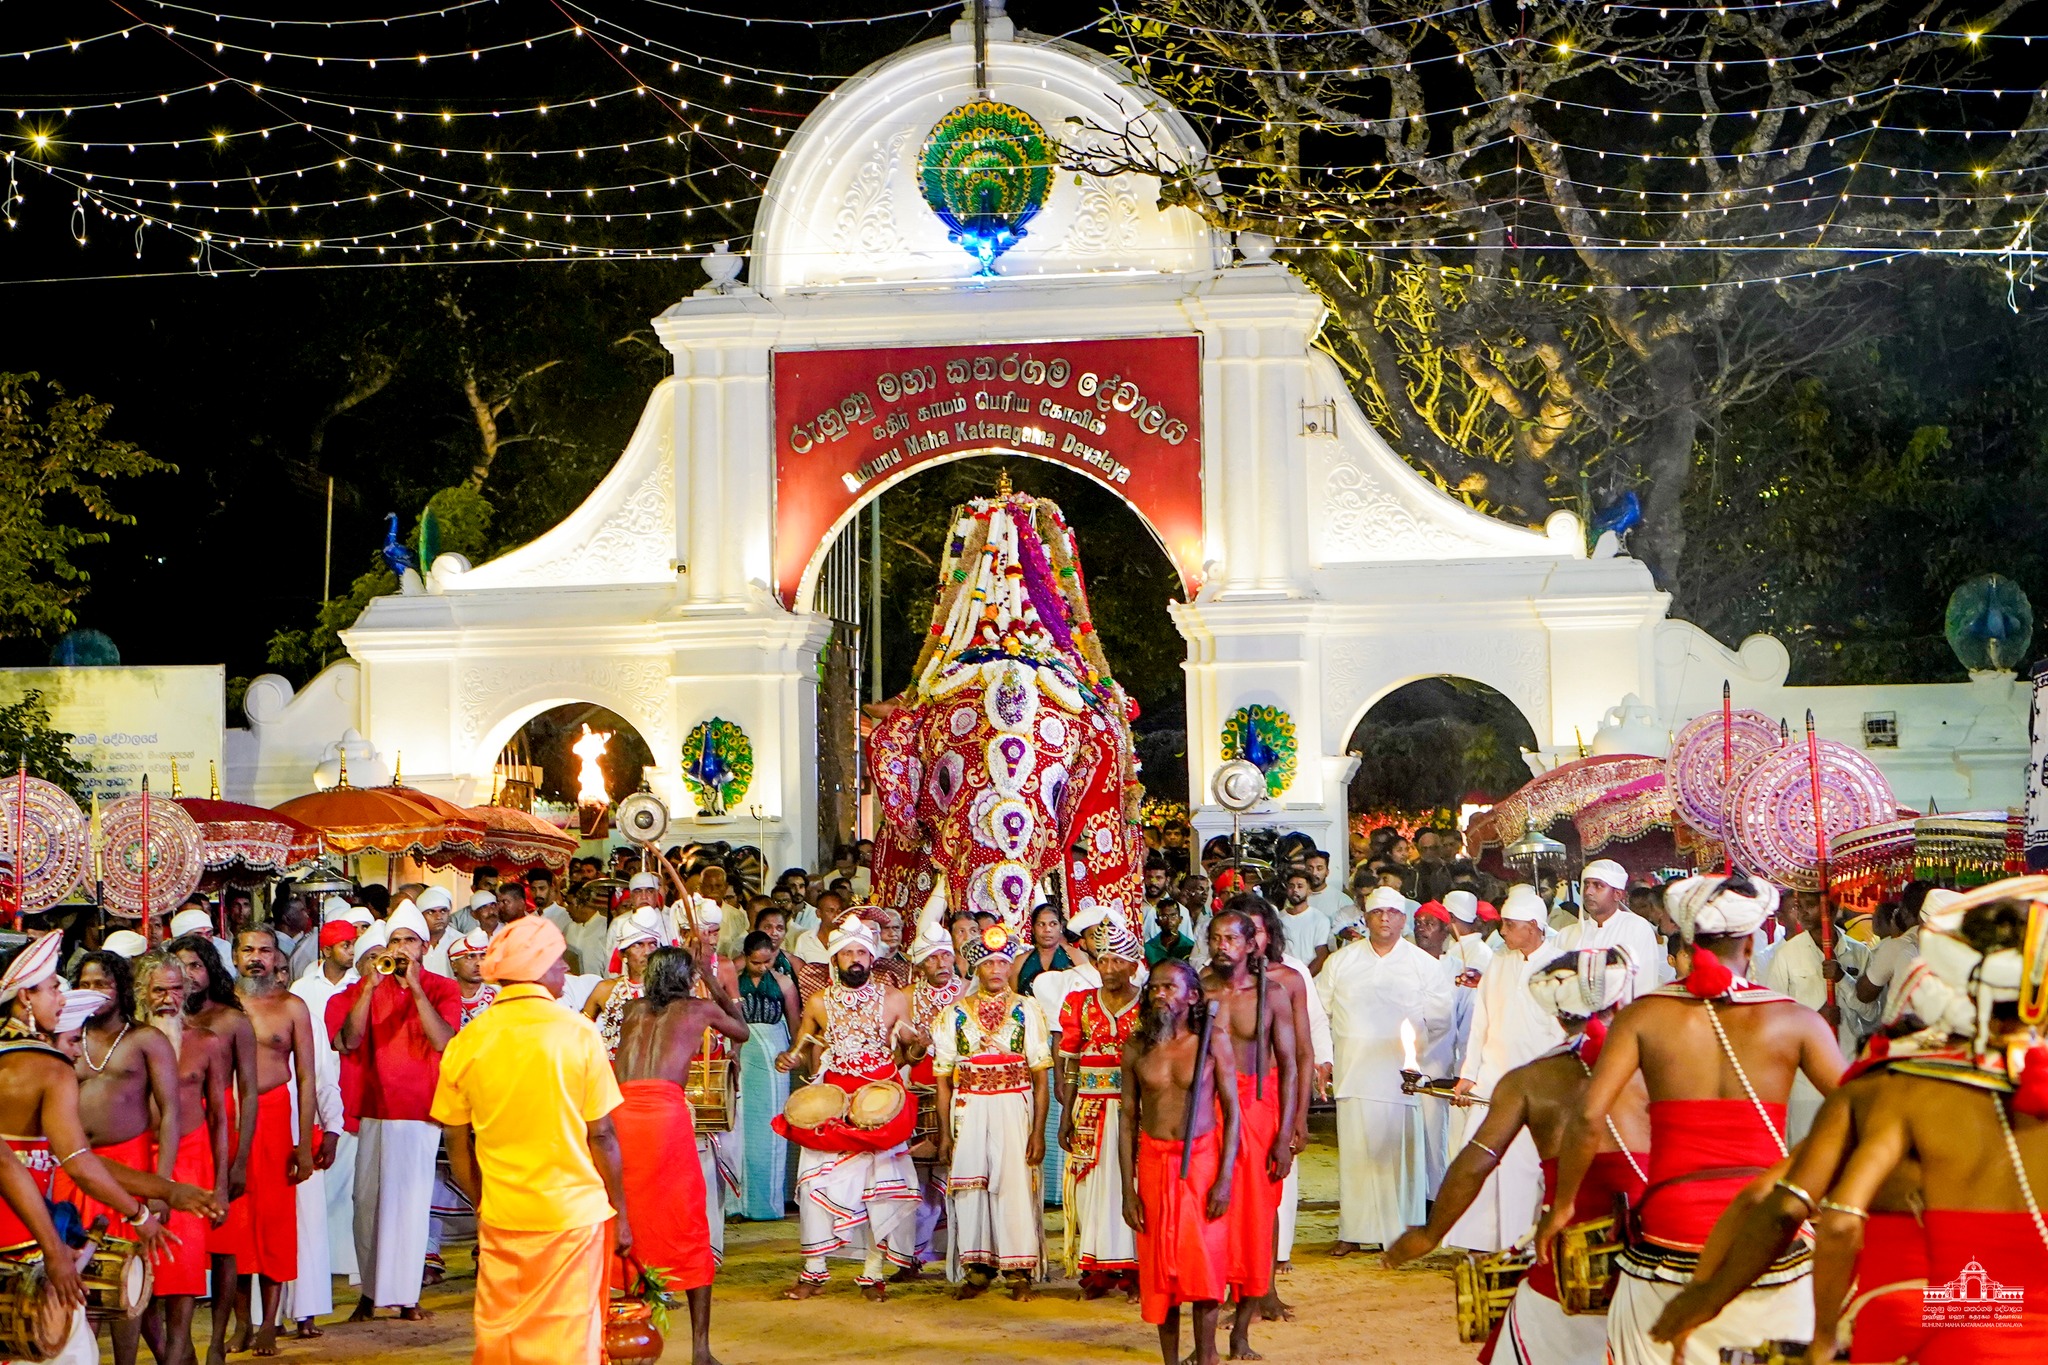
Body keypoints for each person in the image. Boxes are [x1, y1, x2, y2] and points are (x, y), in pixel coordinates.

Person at [1538, 871, 1845, 1365]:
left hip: (1669, 1230)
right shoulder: (1796, 1020)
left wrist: (1563, 1208)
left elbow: (1588, 1118)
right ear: (1751, 942)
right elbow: (1856, 1110)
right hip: (1771, 1232)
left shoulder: (1643, 1015)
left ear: (1684, 942)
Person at [1383, 947, 1651, 1365]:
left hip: (1564, 1258)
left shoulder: (1528, 1081)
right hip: (1656, 1245)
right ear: (1620, 1001)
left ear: (1557, 1014)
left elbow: (1476, 1163)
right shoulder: (1658, 1063)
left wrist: (1430, 1234)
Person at [433, 916, 629, 1365]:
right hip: (572, 1215)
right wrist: (622, 1211)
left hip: (504, 1216)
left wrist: (483, 1201)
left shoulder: (468, 1040)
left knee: (505, 1340)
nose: (565, 970)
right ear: (539, 968)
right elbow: (602, 1133)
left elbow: (456, 1139)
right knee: (569, 1340)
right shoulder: (578, 1032)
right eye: (559, 961)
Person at [609, 944, 748, 1363]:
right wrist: (715, 986)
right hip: (663, 1117)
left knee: (629, 1219)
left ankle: (636, 1333)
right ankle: (700, 1351)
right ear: (687, 979)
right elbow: (742, 1030)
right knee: (688, 1223)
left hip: (619, 1115)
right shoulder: (698, 1009)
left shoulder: (632, 1009)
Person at [330, 900, 461, 1323]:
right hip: (374, 1109)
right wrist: (369, 987)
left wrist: (416, 988)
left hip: (421, 1111)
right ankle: (369, 1294)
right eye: (395, 942)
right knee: (367, 1204)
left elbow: (443, 1041)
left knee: (410, 1205)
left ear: (424, 947)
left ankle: (406, 1296)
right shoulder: (362, 990)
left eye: (409, 941)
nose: (402, 949)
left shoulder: (443, 988)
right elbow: (348, 1041)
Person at [62, 952, 183, 1365]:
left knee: (124, 1282)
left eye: (104, 984)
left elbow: (170, 1115)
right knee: (75, 1280)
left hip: (128, 1168)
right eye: (87, 983)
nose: (95, 992)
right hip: (75, 1169)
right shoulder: (66, 1038)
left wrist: (162, 1188)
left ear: (122, 989)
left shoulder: (146, 1039)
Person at [1318, 886, 1453, 1257]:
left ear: (1403, 919)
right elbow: (1319, 1013)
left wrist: (1420, 1061)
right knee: (1357, 1155)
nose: (1384, 919)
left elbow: (1440, 1019)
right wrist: (1324, 1058)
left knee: (1398, 1156)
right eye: (1377, 913)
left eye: (1392, 913)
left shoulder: (1423, 964)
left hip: (1401, 1078)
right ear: (1365, 917)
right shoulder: (1341, 962)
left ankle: (1396, 1231)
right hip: (1354, 1070)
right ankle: (1353, 1230)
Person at [1121, 959, 1240, 1365]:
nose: (1159, 995)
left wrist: (1224, 1179)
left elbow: (1232, 1111)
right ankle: (1171, 1361)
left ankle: (1206, 1356)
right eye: (1154, 987)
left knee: (1203, 1264)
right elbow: (1126, 1120)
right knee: (1160, 1272)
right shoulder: (1137, 1047)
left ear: (1191, 996)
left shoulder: (1212, 1040)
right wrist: (1128, 1190)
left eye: (1169, 988)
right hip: (1154, 1165)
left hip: (1202, 1163)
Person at [207, 929, 316, 1361]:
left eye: (265, 951)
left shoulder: (292, 1008)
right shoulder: (219, 1007)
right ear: (234, 956)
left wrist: (304, 1142)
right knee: (234, 1220)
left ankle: (270, 1322)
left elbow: (308, 1077)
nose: (256, 958)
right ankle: (242, 1322)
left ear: (277, 958)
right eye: (248, 950)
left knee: (273, 1219)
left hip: (273, 1119)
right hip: (227, 1121)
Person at [1442, 885, 1564, 1253]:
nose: (1503, 932)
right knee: (1480, 1157)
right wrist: (1469, 1073)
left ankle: (1520, 1245)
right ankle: (1478, 1243)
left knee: (1524, 1169)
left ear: (1533, 925)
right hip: (1493, 1080)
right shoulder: (1498, 962)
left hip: (1540, 1085)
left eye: (1509, 925)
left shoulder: (1564, 962)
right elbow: (1480, 1022)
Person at [934, 924, 1053, 1299]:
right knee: (971, 1187)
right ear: (975, 970)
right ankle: (978, 1270)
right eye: (989, 964)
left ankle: (1019, 1271)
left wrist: (1038, 1131)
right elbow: (942, 1080)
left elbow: (1041, 1077)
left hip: (1014, 1106)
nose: (997, 970)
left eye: (1003, 962)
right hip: (968, 1107)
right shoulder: (953, 1014)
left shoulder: (1027, 1009)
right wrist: (945, 1134)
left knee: (1014, 1184)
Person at [1200, 906, 1298, 1359]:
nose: (1223, 946)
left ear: (1250, 944)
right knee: (1211, 1213)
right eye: (1216, 938)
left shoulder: (1272, 993)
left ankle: (1242, 1333)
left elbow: (1291, 1066)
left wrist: (1286, 1134)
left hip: (1259, 1111)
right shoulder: (1198, 988)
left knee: (1256, 1219)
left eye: (1231, 939)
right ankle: (1207, 1327)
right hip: (1208, 1110)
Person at [136, 951, 233, 1365]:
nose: (168, 999)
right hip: (138, 1160)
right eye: (159, 990)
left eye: (176, 989)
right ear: (142, 993)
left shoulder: (206, 1041)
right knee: (138, 1281)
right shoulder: (128, 1042)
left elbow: (219, 1116)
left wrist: (223, 1187)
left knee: (184, 1279)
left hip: (192, 1163)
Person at [1056, 914, 1143, 1300]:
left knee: (1134, 1184)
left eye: (1117, 961)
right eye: (1103, 960)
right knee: (1091, 1188)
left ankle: (1134, 1269)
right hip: (1089, 1107)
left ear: (1134, 965)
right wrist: (1065, 1113)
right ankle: (1097, 1271)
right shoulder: (1079, 1003)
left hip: (1134, 1110)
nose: (1108, 969)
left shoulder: (1148, 1004)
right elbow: (1070, 1063)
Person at [288, 917, 359, 1323]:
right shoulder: (301, 993)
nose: (350, 951)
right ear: (327, 950)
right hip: (303, 1099)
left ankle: (334, 1269)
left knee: (338, 1189)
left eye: (353, 944)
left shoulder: (357, 985)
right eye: (344, 945)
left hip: (335, 1091)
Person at [736, 930, 797, 1223]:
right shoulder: (733, 980)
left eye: (766, 962)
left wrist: (794, 1054)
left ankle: (766, 1206)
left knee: (771, 1129)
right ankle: (736, 1204)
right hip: (742, 1052)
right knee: (739, 1128)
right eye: (756, 963)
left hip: (773, 1054)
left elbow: (796, 1024)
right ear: (746, 957)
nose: (762, 968)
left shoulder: (784, 983)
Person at [1555, 860, 1664, 1003]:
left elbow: (1643, 984)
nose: (1588, 892)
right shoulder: (1566, 935)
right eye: (1586, 885)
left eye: (1598, 886)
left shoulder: (1636, 928)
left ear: (1617, 894)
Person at [584, 908, 667, 1056]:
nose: (647, 952)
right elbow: (579, 1032)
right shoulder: (606, 990)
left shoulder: (668, 991)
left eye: (652, 944)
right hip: (612, 1072)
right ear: (623, 954)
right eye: (638, 945)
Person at [1276, 870, 1332, 973]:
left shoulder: (1320, 919)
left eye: (1300, 886)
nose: (1295, 890)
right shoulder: (1278, 918)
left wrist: (1305, 978)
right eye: (1291, 886)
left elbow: (1322, 955)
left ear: (1309, 891)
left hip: (1311, 979)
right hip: (1283, 977)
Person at [1012, 904, 1074, 997]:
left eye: (1053, 924)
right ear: (1032, 929)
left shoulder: (1076, 958)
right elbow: (1014, 1002)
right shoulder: (1019, 963)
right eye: (1041, 924)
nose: (1047, 929)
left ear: (1060, 927)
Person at [1144, 897, 1195, 967]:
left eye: (1173, 916)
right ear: (1157, 922)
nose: (1169, 921)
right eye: (1164, 917)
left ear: (1180, 919)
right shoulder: (1148, 948)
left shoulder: (1190, 947)